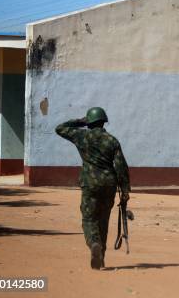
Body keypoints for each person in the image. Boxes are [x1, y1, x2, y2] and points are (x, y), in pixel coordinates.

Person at [55, 107, 130, 270]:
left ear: (89, 122)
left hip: (90, 183)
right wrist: (125, 191)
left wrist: (79, 122)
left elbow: (59, 128)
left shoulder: (81, 136)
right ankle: (101, 257)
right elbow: (121, 167)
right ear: (104, 122)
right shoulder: (112, 140)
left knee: (89, 219)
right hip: (109, 184)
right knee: (103, 221)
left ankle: (94, 243)